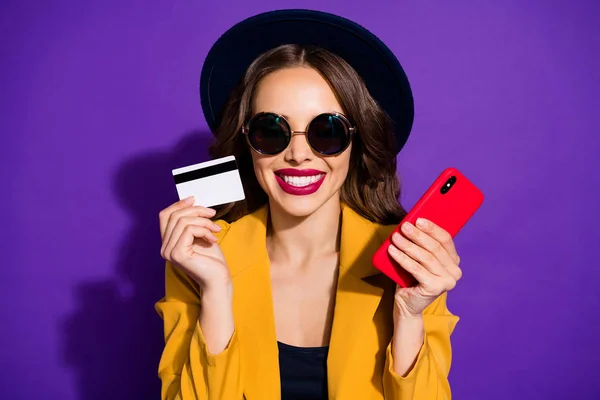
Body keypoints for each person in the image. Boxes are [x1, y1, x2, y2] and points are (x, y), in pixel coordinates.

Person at [156, 9, 462, 400]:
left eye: (327, 131)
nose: (298, 154)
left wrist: (409, 314)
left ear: (358, 141)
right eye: (271, 130)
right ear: (246, 142)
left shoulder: (408, 261)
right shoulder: (200, 258)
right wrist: (216, 292)